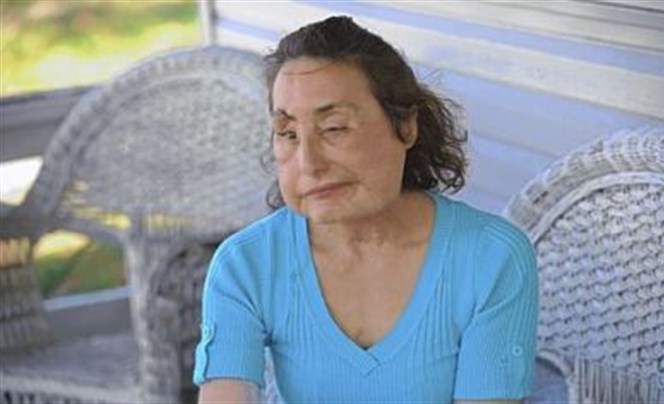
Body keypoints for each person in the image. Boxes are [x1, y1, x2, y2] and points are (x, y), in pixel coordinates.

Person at [194, 15, 538, 403]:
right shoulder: (246, 265)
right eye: (288, 134)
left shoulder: (490, 259)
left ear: (406, 127)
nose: (308, 163)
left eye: (334, 128)